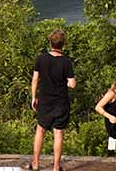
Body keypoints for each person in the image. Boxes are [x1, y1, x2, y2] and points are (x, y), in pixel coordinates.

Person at [30, 29, 76, 171]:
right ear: (63, 45)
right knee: (58, 133)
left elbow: (35, 79)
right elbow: (72, 84)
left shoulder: (41, 58)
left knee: (40, 130)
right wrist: (66, 82)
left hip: (45, 101)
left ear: (50, 42)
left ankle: (36, 164)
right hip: (61, 102)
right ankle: (56, 167)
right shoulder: (66, 62)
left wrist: (33, 97)